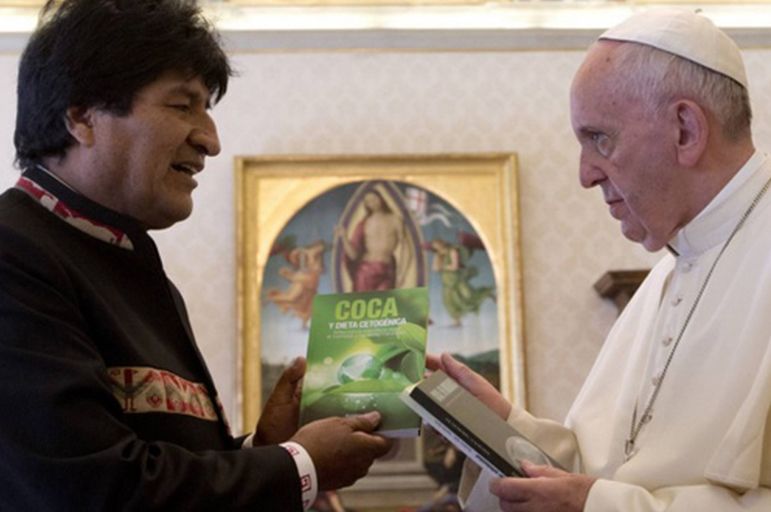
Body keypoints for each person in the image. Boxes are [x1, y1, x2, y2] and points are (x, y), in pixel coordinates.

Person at [0, 1, 391, 510]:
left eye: (206, 108)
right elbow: (88, 489)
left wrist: (266, 448)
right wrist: (299, 465)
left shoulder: (134, 266)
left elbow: (157, 461)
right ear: (81, 115)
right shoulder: (14, 253)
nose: (210, 139)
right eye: (182, 106)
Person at [431, 8, 771, 512]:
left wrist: (598, 507)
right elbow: (607, 472)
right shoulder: (663, 280)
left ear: (685, 130)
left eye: (599, 139)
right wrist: (507, 432)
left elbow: (602, 497)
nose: (585, 174)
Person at [337, 189, 409, 292]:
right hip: (365, 271)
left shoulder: (395, 220)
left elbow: (406, 249)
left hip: (386, 270)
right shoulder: (364, 224)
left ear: (381, 198)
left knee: (384, 305)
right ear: (366, 205)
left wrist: (402, 272)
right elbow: (353, 256)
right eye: (369, 201)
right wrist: (344, 237)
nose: (373, 202)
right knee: (363, 305)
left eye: (374, 198)